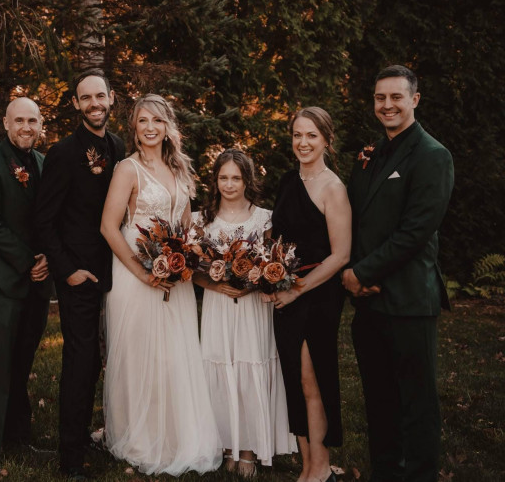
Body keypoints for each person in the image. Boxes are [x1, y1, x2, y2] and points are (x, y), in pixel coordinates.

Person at [100, 94, 221, 476]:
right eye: (142, 121)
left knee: (173, 355)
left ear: (168, 126)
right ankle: (138, 437)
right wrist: (142, 272)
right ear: (133, 128)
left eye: (157, 120)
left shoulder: (180, 169)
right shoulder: (127, 169)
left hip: (176, 278)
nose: (150, 128)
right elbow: (108, 227)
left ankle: (176, 435)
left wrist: (191, 259)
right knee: (140, 357)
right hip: (136, 277)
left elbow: (186, 228)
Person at [342, 65, 453, 482]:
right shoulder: (371, 154)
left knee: (417, 404)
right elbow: (357, 219)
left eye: (396, 97)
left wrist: (361, 271)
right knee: (380, 400)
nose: (387, 105)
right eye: (379, 98)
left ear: (414, 100)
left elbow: (415, 231)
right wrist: (351, 272)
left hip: (409, 300)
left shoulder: (432, 155)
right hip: (369, 302)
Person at [34, 68, 125, 480]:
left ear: (110, 99)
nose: (94, 104)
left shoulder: (120, 147)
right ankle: (70, 456)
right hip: (80, 275)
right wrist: (66, 271)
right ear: (75, 103)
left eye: (100, 96)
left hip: (118, 274)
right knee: (80, 359)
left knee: (104, 360)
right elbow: (44, 221)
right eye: (85, 98)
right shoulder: (63, 153)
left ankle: (87, 432)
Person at [194, 148, 298, 476]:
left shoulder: (263, 218)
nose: (229, 184)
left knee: (251, 367)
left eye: (235, 178)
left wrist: (253, 282)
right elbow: (194, 270)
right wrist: (215, 285)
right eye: (223, 177)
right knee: (221, 368)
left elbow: (272, 264)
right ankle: (227, 444)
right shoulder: (202, 220)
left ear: (247, 179)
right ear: (215, 180)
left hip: (252, 308)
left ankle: (251, 448)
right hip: (218, 306)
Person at [0, 97, 52, 476]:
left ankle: (17, 434)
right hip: (2, 279)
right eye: (19, 120)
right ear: (5, 123)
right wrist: (27, 261)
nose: (26, 127)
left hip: (36, 281)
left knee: (22, 360)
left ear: (40, 124)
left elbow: (49, 219)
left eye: (32, 120)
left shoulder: (43, 163)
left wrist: (48, 256)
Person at [268, 107, 351, 482]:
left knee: (311, 378)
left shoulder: (333, 188)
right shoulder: (288, 181)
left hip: (316, 295)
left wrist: (296, 290)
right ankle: (306, 467)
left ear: (326, 140)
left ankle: (320, 468)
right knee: (292, 378)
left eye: (311, 136)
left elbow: (341, 255)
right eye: (297, 135)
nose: (303, 143)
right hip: (285, 292)